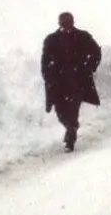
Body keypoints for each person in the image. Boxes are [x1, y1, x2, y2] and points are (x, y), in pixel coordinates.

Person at [41, 12, 102, 152]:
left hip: (77, 82)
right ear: (59, 24)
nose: (66, 26)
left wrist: (89, 67)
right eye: (64, 23)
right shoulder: (51, 40)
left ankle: (70, 137)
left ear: (73, 22)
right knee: (60, 112)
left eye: (69, 23)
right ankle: (71, 127)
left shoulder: (83, 37)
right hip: (58, 84)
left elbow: (96, 52)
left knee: (72, 110)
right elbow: (45, 62)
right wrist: (48, 77)